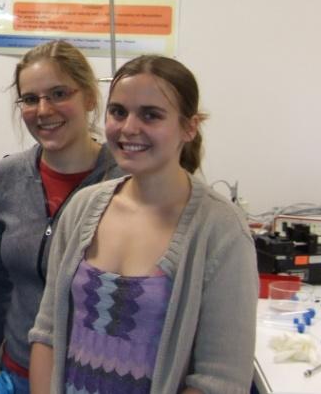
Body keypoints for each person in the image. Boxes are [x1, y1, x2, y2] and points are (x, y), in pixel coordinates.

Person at [29, 56, 258, 394]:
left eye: (150, 115)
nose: (129, 128)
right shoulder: (82, 208)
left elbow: (220, 380)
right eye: (118, 112)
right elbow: (47, 332)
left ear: (189, 127)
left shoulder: (220, 229)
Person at [0, 40, 121, 394]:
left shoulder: (124, 181)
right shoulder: (6, 178)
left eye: (58, 94)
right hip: (16, 375)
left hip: (97, 380)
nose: (43, 110)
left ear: (89, 97)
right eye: (30, 99)